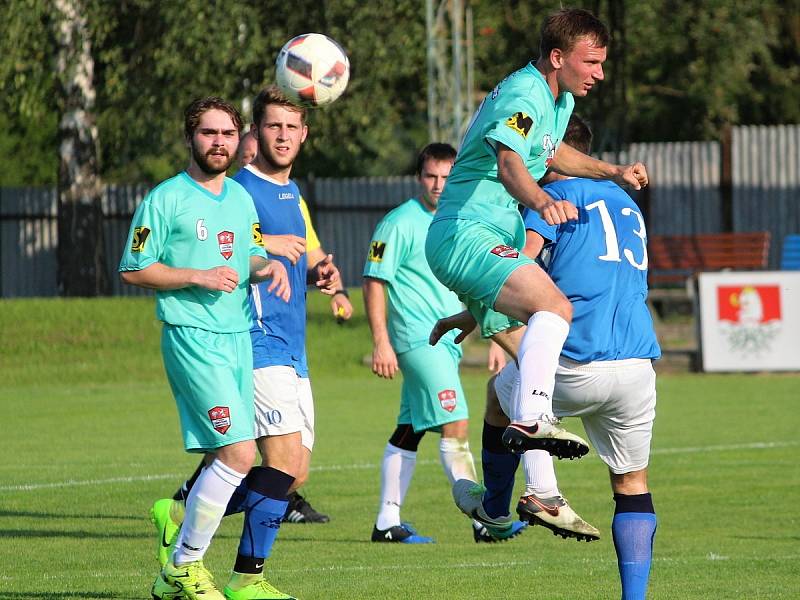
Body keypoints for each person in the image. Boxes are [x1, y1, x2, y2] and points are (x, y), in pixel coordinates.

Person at [423, 7, 648, 535]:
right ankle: (532, 421)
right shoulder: (525, 94)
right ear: (557, 57)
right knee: (555, 308)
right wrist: (542, 202)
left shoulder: (558, 100)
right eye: (590, 62)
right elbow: (510, 164)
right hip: (465, 232)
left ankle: (539, 493)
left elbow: (555, 154)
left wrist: (610, 170)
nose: (598, 73)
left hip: (485, 244)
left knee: (527, 358)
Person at [439, 114, 660, 599]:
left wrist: (469, 314)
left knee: (502, 397)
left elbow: (516, 270)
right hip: (637, 366)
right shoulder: (627, 205)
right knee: (631, 483)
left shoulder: (555, 200)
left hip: (574, 362)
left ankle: (496, 508)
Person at [151, 86, 346, 600]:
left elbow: (285, 257)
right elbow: (240, 252)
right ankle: (245, 578)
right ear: (256, 135)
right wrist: (267, 252)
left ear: (305, 134)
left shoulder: (291, 192)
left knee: (295, 473)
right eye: (273, 127)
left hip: (294, 344)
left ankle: (181, 511)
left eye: (292, 127)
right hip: (257, 343)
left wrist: (320, 274)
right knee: (278, 461)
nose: (283, 136)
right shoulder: (240, 190)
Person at [119, 96, 290, 600]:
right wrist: (195, 275)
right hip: (192, 337)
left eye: (228, 134)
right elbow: (133, 267)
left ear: (240, 141)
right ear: (190, 138)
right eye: (209, 133)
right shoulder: (165, 198)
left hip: (238, 338)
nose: (219, 143)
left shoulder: (239, 198)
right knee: (239, 453)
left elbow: (251, 253)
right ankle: (183, 567)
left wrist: (268, 266)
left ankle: (173, 570)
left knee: (235, 453)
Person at [362, 143, 527, 544]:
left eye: (446, 177)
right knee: (456, 423)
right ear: (419, 177)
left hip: (448, 341)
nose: (438, 185)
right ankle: (484, 519)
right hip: (417, 340)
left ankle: (386, 522)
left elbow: (490, 277)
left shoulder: (462, 221)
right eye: (430, 176)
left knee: (409, 429)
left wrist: (494, 334)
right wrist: (381, 341)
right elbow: (373, 280)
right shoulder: (398, 223)